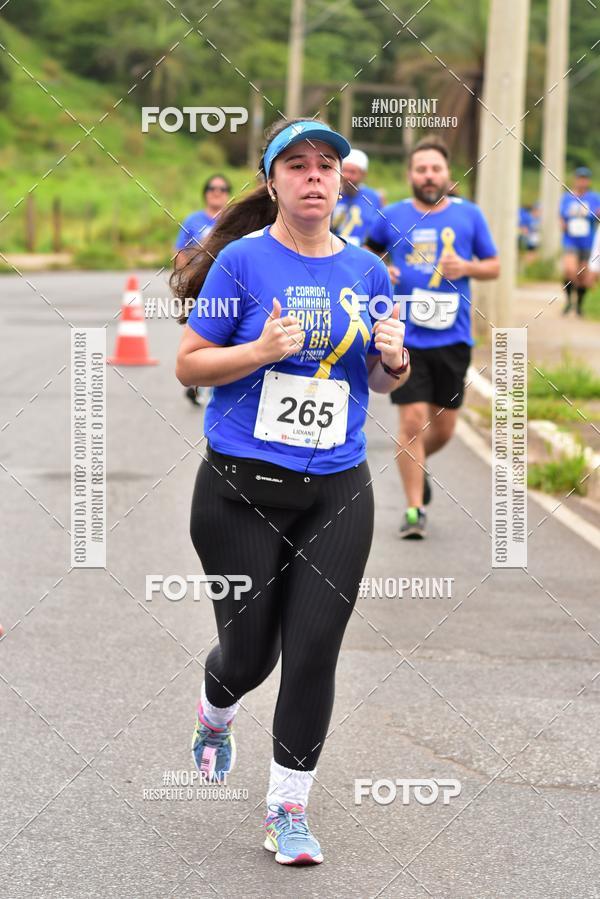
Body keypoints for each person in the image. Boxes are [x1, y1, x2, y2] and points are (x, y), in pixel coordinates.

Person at [173, 118, 410, 866]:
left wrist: (394, 363)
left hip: (337, 487)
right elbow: (189, 362)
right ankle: (217, 709)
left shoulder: (368, 271)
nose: (314, 176)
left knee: (312, 651)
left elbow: (372, 381)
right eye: (297, 165)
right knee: (250, 658)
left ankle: (288, 810)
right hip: (239, 489)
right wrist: (258, 351)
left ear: (342, 182)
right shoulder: (241, 261)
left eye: (326, 165)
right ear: (273, 181)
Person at [367, 135, 499, 539]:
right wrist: (382, 268)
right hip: (405, 338)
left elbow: (493, 265)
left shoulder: (469, 215)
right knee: (411, 421)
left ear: (447, 174)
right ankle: (414, 510)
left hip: (452, 337)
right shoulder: (391, 215)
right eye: (421, 169)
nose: (428, 175)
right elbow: (366, 254)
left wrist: (467, 268)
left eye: (435, 169)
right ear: (410, 174)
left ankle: (417, 464)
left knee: (443, 428)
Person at [175, 174, 232, 406]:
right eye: (212, 188)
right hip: (199, 286)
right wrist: (187, 279)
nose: (217, 192)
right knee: (199, 334)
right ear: (205, 193)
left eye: (222, 188)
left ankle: (208, 386)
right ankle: (198, 384)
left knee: (224, 335)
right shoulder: (193, 220)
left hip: (226, 286)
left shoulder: (232, 219)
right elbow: (180, 252)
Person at [559, 167, 600, 316]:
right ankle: (569, 300)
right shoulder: (567, 197)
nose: (582, 181)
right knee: (569, 270)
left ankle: (579, 305)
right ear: (575, 179)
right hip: (570, 240)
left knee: (582, 275)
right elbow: (561, 216)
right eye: (580, 178)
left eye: (585, 179)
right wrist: (562, 224)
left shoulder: (594, 198)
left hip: (588, 242)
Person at [331, 148, 382, 246]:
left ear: (363, 174)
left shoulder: (373, 198)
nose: (347, 176)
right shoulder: (329, 194)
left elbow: (380, 231)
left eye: (352, 172)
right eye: (344, 170)